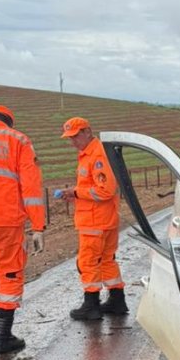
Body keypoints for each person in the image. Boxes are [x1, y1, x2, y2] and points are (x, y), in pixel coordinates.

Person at [0, 105, 45, 353]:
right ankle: (2, 337)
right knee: (9, 274)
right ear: (8, 122)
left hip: (2, 217)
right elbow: (31, 187)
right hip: (5, 218)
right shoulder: (18, 139)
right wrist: (38, 226)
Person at [59, 117, 128, 320]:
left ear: (87, 131)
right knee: (107, 260)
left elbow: (105, 190)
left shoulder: (97, 154)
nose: (73, 142)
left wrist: (76, 192)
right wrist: (75, 194)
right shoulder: (91, 153)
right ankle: (117, 300)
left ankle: (91, 305)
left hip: (95, 221)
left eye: (75, 136)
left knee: (88, 262)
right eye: (69, 138)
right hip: (103, 219)